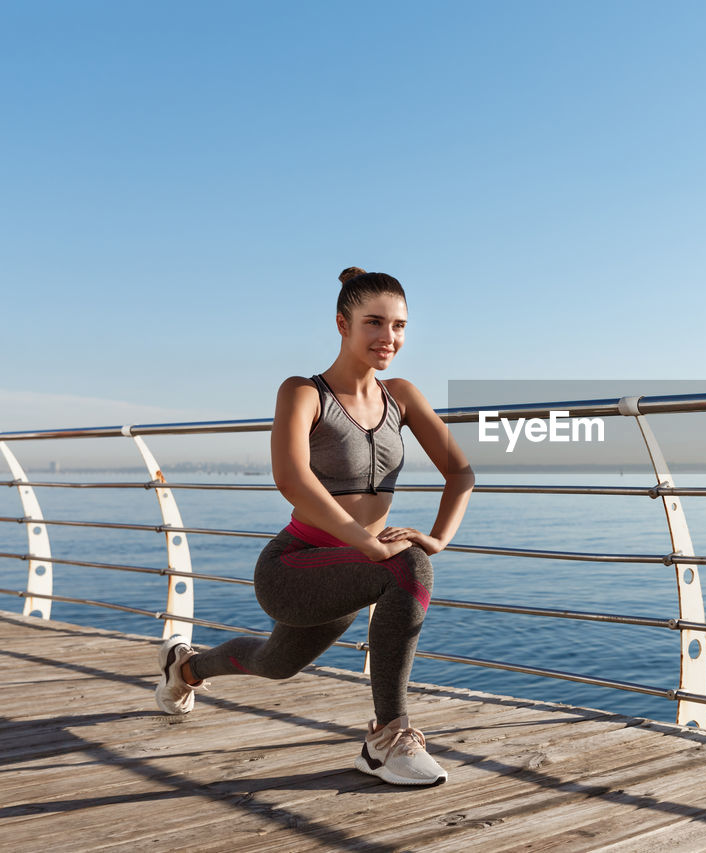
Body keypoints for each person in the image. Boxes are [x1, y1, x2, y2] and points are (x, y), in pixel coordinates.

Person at [154, 267, 474, 786]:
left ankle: (183, 668)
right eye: (374, 323)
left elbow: (460, 473)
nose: (388, 337)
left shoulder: (402, 397)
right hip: (293, 567)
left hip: (352, 567)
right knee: (407, 568)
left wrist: (437, 538)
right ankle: (386, 740)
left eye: (399, 326)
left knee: (275, 662)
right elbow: (293, 479)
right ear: (343, 324)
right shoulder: (304, 392)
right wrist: (368, 542)